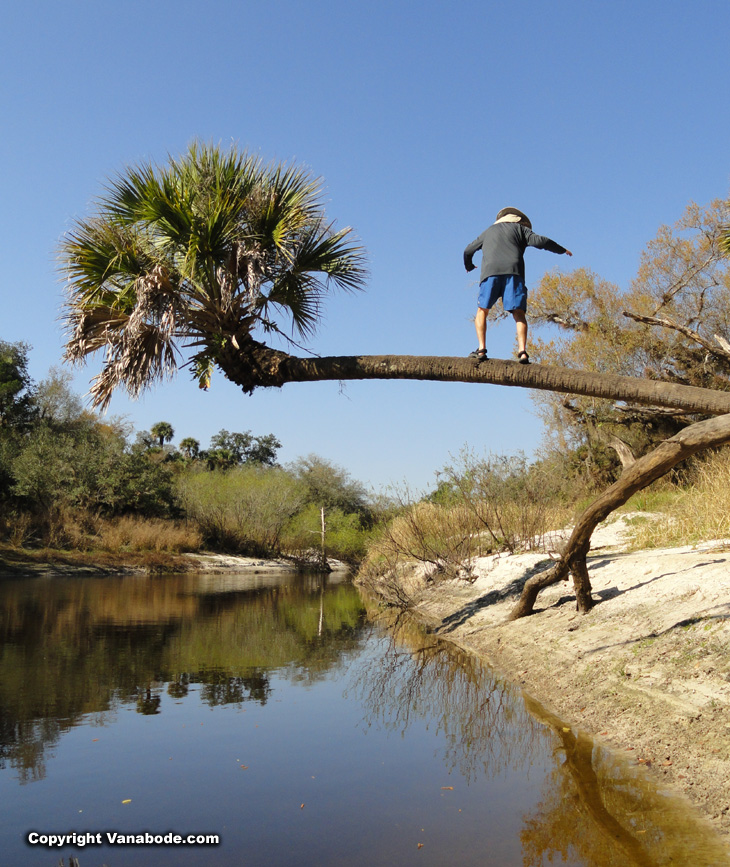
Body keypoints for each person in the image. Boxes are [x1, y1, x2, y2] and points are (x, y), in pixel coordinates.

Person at [463, 207, 572, 364]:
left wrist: (468, 265)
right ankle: (522, 352)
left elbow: (468, 250)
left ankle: (481, 349)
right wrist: (561, 250)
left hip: (490, 273)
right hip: (514, 273)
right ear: (519, 221)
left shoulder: (488, 232)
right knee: (519, 313)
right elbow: (541, 241)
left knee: (482, 310)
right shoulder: (520, 230)